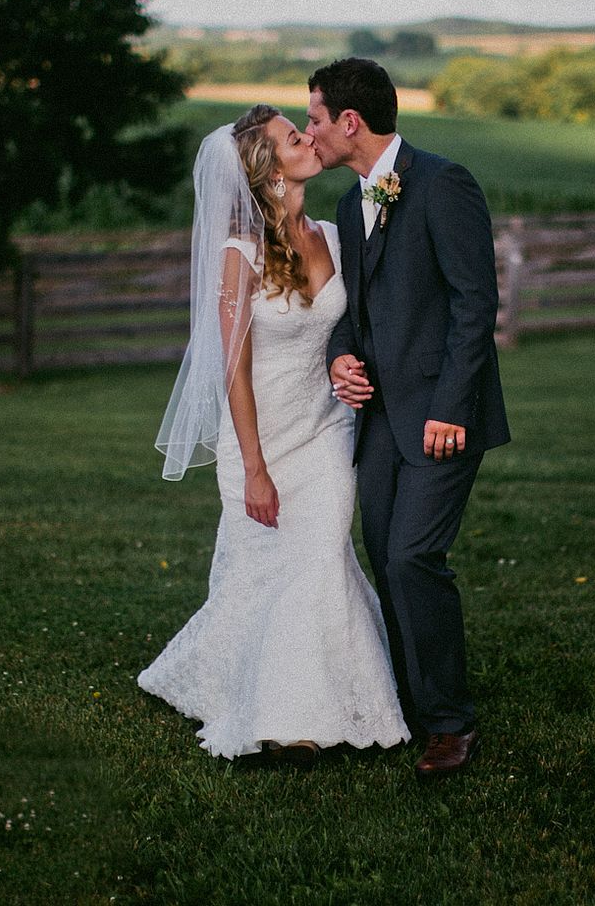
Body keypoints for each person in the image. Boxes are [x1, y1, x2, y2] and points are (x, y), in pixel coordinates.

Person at [140, 104, 410, 764]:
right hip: (259, 439)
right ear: (267, 170)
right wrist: (254, 467)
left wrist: (352, 368)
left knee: (321, 555)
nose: (310, 139)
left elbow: (349, 329)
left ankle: (301, 719)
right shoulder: (241, 254)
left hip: (325, 432)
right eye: (296, 138)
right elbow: (233, 370)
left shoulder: (331, 232)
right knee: (263, 577)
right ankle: (247, 687)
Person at [308, 58, 510, 779]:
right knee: (383, 553)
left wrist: (452, 408)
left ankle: (453, 725)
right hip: (381, 421)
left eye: (315, 119)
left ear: (350, 122)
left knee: (412, 558)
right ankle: (413, 707)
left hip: (440, 416)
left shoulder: (443, 183)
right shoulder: (347, 204)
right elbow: (349, 311)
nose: (311, 133)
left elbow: (473, 305)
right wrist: (339, 359)